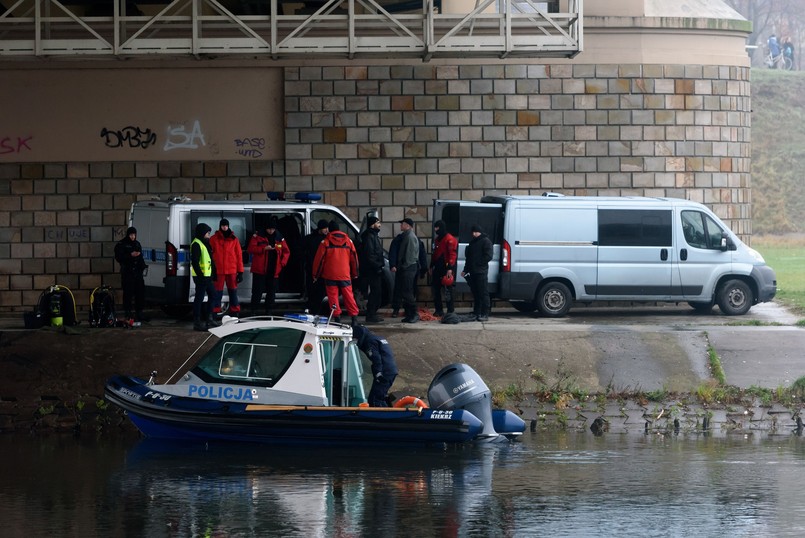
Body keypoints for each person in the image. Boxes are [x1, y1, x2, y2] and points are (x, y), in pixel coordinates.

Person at [312, 221, 360, 325]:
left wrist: (316, 275)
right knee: (348, 296)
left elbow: (319, 261)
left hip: (330, 275)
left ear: (329, 229)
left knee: (333, 297)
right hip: (345, 274)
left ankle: (337, 318)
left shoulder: (325, 242)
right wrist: (355, 273)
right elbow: (354, 259)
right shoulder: (348, 241)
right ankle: (354, 319)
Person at [248, 217, 289, 315]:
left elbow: (286, 251)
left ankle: (269, 311)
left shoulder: (279, 237)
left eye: (273, 229)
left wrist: (282, 263)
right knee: (257, 292)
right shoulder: (257, 236)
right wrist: (263, 249)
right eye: (269, 229)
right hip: (260, 270)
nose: (271, 231)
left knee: (271, 293)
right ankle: (254, 310)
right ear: (265, 228)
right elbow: (251, 249)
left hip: (274, 270)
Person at [352, 324, 398, 407]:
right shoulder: (378, 338)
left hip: (384, 372)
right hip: (391, 370)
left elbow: (376, 358)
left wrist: (378, 373)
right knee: (380, 396)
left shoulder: (370, 342)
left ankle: (384, 417)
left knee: (375, 399)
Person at [209, 218, 243, 318]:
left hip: (231, 270)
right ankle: (215, 311)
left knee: (233, 292)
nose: (225, 227)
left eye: (226, 225)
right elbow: (210, 255)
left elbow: (238, 255)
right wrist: (212, 270)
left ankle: (235, 311)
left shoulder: (234, 239)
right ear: (220, 226)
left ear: (228, 226)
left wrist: (240, 272)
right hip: (219, 270)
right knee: (217, 292)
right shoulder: (213, 239)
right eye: (223, 225)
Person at [190, 223, 221, 331]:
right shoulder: (197, 244)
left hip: (207, 277)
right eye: (208, 233)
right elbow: (195, 262)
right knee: (199, 298)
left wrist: (213, 273)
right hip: (201, 277)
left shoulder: (204, 243)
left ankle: (209, 318)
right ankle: (197, 322)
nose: (209, 235)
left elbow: (210, 261)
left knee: (213, 295)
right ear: (202, 233)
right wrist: (201, 275)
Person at [114, 226, 148, 323]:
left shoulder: (137, 244)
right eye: (131, 235)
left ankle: (139, 313)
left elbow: (140, 257)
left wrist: (143, 266)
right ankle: (128, 313)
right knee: (128, 294)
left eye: (134, 235)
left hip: (137, 273)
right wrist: (130, 255)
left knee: (140, 293)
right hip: (127, 273)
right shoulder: (121, 244)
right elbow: (119, 257)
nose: (133, 237)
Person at [461, 224, 493, 322]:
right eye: (473, 232)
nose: (474, 234)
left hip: (480, 271)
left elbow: (488, 256)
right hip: (473, 271)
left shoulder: (486, 241)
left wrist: (478, 264)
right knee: (476, 293)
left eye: (476, 232)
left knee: (483, 293)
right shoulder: (472, 243)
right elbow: (468, 259)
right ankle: (477, 311)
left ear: (480, 232)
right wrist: (465, 270)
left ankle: (485, 313)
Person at [391, 218, 420, 324]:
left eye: (402, 224)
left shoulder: (410, 237)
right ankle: (409, 314)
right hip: (407, 268)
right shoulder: (407, 236)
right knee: (405, 292)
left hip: (409, 269)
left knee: (408, 292)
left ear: (408, 225)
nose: (401, 225)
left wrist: (403, 266)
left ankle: (414, 314)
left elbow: (410, 256)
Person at [358, 216, 385, 323]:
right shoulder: (369, 236)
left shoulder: (372, 235)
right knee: (375, 293)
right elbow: (370, 255)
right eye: (378, 222)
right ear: (372, 224)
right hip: (372, 270)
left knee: (376, 293)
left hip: (374, 269)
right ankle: (371, 315)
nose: (380, 225)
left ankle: (372, 314)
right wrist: (378, 266)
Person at [429, 220, 458, 317]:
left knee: (447, 290)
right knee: (436, 290)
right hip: (437, 268)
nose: (435, 229)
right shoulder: (437, 240)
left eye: (437, 228)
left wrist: (450, 268)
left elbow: (452, 255)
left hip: (446, 269)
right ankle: (439, 310)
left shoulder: (450, 239)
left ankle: (450, 310)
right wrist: (431, 265)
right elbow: (435, 254)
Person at [304, 219, 330, 315]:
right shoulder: (318, 240)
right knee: (315, 291)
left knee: (318, 292)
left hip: (318, 270)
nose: (327, 230)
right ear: (320, 229)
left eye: (327, 228)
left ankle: (314, 309)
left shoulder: (311, 238)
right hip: (313, 269)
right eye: (324, 228)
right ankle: (314, 310)